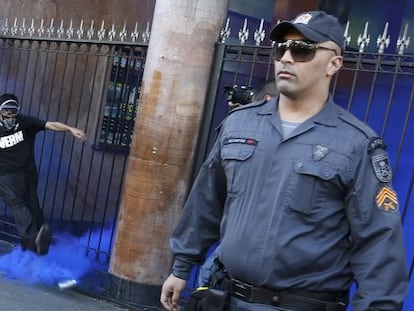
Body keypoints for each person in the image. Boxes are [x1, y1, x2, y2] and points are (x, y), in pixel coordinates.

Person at [161, 10, 408, 311]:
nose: (287, 57)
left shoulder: (356, 145)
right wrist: (181, 266)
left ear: (334, 63)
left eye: (303, 49)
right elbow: (205, 203)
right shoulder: (239, 124)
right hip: (225, 298)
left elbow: (378, 243)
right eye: (281, 48)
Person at [0, 93, 86, 256]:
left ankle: (35, 248)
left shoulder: (25, 122)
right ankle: (32, 239)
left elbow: (50, 125)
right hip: (3, 176)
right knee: (18, 205)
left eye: (13, 111)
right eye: (6, 111)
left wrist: (70, 129)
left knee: (34, 209)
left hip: (26, 174)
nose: (10, 115)